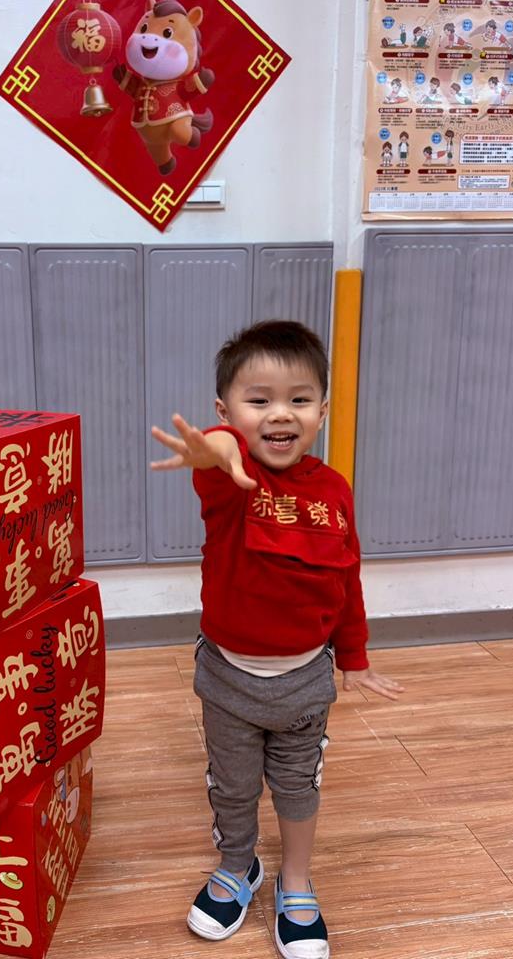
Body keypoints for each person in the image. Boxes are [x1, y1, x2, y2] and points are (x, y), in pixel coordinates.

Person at [151, 321, 403, 959]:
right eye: (258, 400)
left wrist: (355, 657)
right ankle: (239, 867)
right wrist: (215, 449)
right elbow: (219, 454)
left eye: (298, 399)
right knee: (232, 787)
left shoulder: (333, 491)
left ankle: (295, 881)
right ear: (225, 411)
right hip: (228, 681)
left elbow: (345, 577)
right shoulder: (231, 483)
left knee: (298, 788)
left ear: (323, 409)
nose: (280, 413)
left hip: (305, 682)